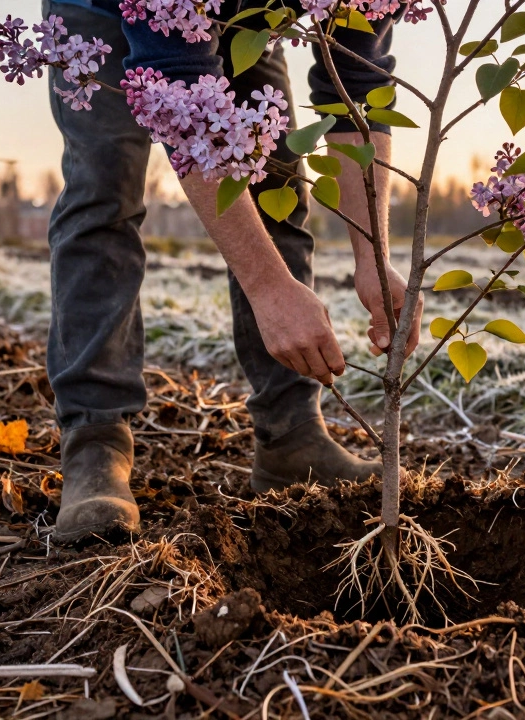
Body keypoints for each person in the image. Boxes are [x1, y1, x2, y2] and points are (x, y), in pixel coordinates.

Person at [43, 0, 422, 543]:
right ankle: (95, 443)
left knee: (274, 176)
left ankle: (290, 433)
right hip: (107, 11)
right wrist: (268, 288)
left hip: (246, 15)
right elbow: (182, 98)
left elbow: (357, 87)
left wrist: (374, 259)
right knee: (104, 192)